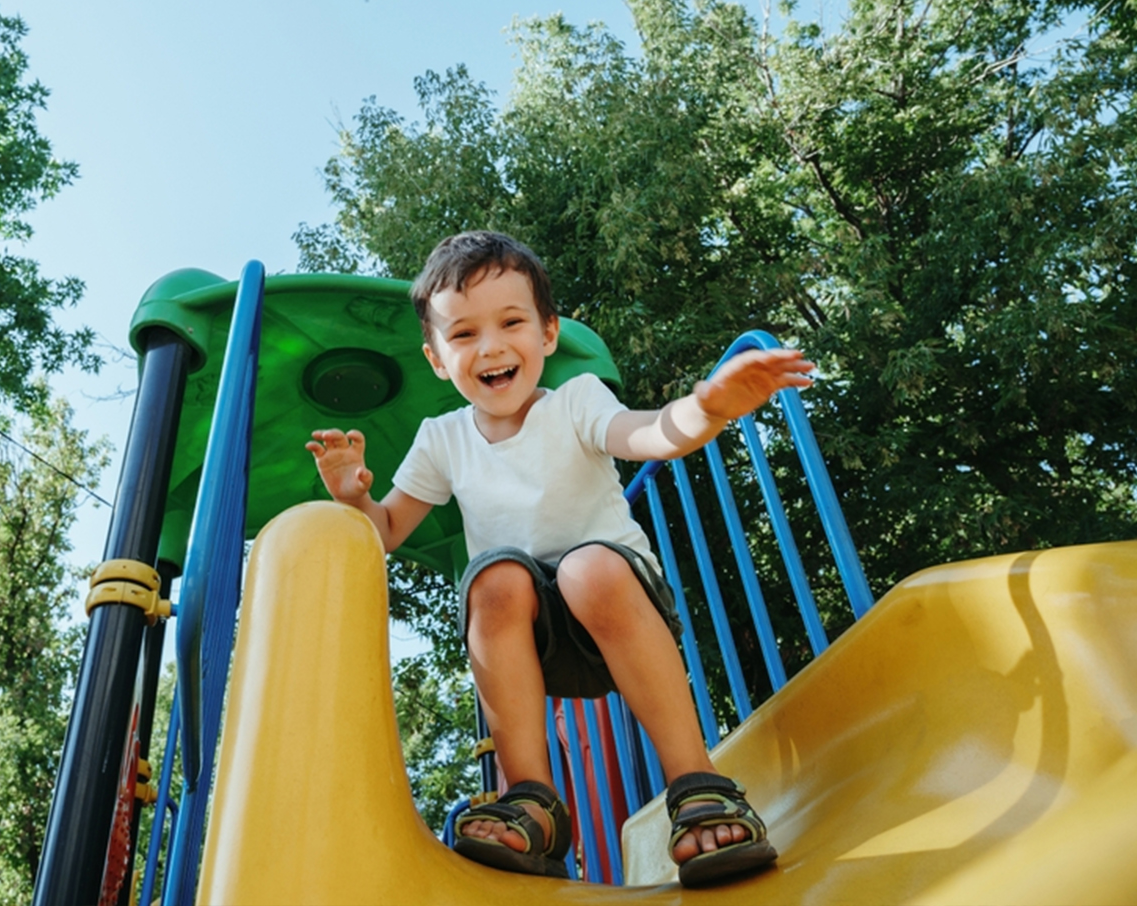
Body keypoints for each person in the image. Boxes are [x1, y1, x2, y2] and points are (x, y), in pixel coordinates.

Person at [305, 231, 813, 886]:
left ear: (547, 333)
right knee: (494, 579)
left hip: (617, 609)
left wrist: (706, 408)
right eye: (462, 335)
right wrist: (353, 499)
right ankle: (534, 804)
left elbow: (648, 434)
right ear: (436, 358)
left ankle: (698, 782)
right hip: (532, 643)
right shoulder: (442, 439)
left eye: (510, 322)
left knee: (585, 567)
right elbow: (388, 529)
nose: (489, 347)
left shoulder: (577, 400)